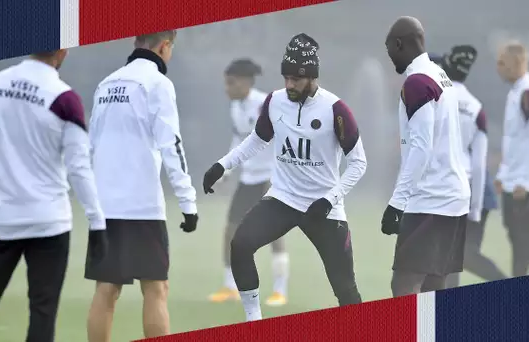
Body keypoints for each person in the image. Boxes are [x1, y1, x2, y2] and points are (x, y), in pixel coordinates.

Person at [0, 50, 108, 342]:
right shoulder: (66, 99)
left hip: (0, 223)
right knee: (43, 315)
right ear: (63, 51)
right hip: (50, 224)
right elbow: (79, 168)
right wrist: (97, 223)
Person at [203, 33, 367, 322]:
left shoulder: (336, 110)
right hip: (283, 199)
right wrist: (222, 165)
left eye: (296, 79)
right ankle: (254, 320)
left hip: (323, 209)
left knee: (345, 289)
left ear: (312, 77)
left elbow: (358, 164)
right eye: (286, 78)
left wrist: (330, 200)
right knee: (240, 245)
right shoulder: (275, 101)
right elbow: (257, 140)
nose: (289, 85)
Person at [86, 31, 198, 341]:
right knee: (156, 288)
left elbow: (91, 146)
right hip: (142, 206)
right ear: (165, 45)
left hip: (105, 205)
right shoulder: (158, 83)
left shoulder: (105, 84)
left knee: (106, 290)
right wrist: (188, 202)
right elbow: (171, 145)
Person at [382, 17, 471, 297]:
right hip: (453, 198)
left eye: (389, 50)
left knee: (404, 284)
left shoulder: (417, 82)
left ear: (399, 44)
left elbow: (421, 148)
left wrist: (396, 203)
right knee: (433, 283)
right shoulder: (440, 76)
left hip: (431, 198)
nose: (389, 57)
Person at [207, 58, 290, 307]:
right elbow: (238, 140)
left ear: (244, 83)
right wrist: (226, 171)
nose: (226, 88)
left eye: (230, 83)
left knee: (275, 233)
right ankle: (230, 286)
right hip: (248, 179)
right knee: (231, 230)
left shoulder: (266, 105)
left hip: (271, 178)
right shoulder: (236, 107)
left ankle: (280, 291)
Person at [429, 48, 507, 288]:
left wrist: (473, 206)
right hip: (462, 191)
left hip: (472, 191)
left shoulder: (448, 103)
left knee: (464, 255)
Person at [495, 41, 529, 277]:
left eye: (502, 62)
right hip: (513, 180)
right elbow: (514, 140)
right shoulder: (515, 92)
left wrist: (526, 182)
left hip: (525, 183)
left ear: (517, 63)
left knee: (525, 238)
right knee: (517, 238)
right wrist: (503, 175)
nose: (498, 67)